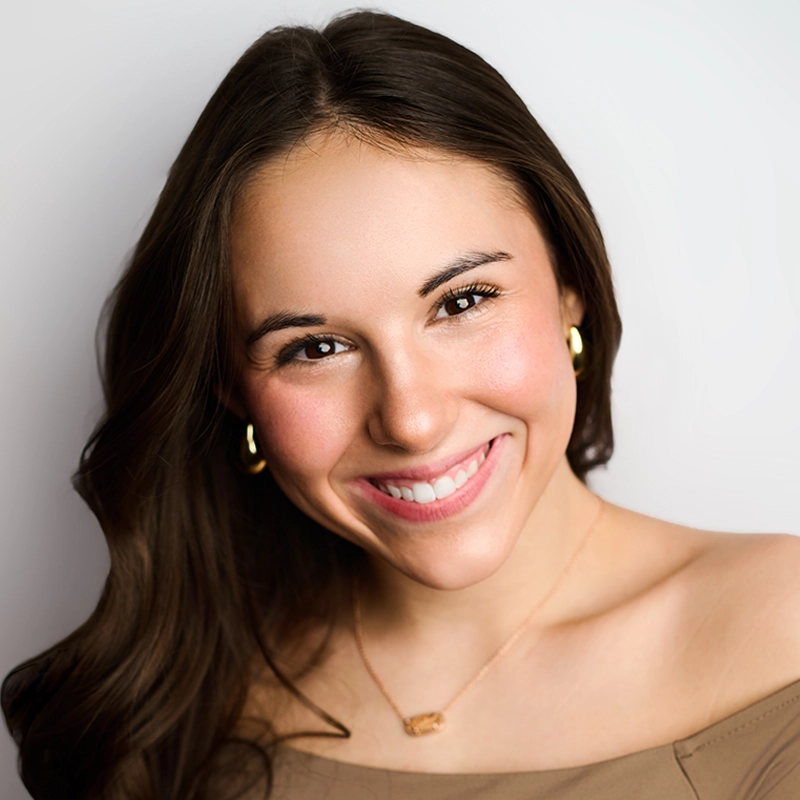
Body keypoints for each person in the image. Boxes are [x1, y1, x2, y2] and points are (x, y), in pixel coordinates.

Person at [3, 9, 800, 800]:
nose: (412, 420)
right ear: (230, 387)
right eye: (313, 348)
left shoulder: (782, 625)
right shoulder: (174, 710)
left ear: (571, 290)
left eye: (462, 302)